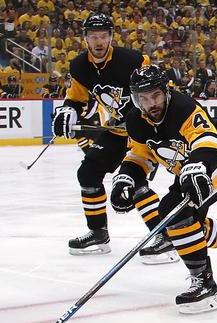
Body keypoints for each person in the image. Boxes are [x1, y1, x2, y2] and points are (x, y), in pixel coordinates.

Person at [113, 64, 217, 314]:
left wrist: (199, 165)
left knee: (174, 212)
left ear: (166, 92)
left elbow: (206, 141)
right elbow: (141, 156)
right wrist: (125, 177)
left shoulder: (184, 107)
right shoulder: (136, 120)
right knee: (181, 223)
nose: (152, 103)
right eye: (145, 98)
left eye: (156, 95)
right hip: (188, 168)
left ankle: (205, 284)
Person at [50, 13, 149, 256]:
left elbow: (154, 94)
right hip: (117, 128)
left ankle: (164, 235)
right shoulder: (79, 66)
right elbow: (76, 99)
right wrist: (68, 110)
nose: (99, 42)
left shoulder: (133, 60)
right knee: (88, 173)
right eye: (93, 36)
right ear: (85, 39)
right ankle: (98, 233)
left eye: (103, 36)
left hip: (145, 128)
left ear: (111, 37)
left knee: (133, 181)